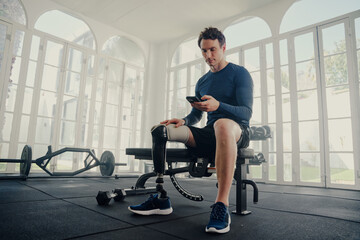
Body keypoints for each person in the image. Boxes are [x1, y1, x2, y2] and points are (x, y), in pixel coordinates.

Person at [128, 27, 253, 234]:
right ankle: (160, 198)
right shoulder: (202, 82)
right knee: (162, 129)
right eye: (204, 51)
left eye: (212, 50)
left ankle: (222, 206)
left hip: (237, 132)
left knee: (222, 123)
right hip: (210, 132)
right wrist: (184, 120)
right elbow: (197, 116)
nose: (208, 56)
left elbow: (246, 113)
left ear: (223, 47)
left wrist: (218, 106)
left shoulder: (239, 73)